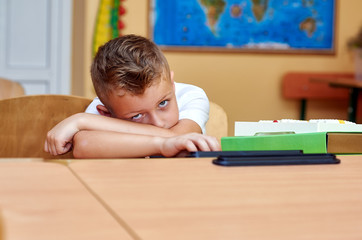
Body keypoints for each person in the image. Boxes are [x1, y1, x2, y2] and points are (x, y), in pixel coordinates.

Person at [44, 34, 220, 158]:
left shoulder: (190, 95)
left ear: (172, 85)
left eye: (163, 103)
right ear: (106, 113)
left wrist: (81, 121)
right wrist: (162, 145)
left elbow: (180, 135)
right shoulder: (107, 104)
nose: (158, 123)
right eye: (136, 116)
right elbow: (83, 146)